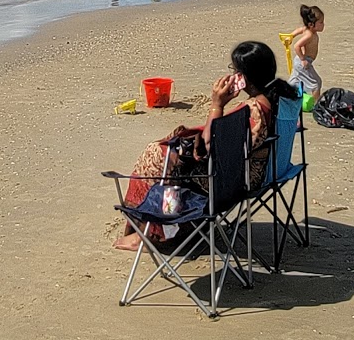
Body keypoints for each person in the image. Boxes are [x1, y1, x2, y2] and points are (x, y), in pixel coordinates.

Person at [113, 40, 298, 250]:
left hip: (232, 182)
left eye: (235, 70)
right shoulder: (281, 96)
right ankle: (175, 228)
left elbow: (214, 145)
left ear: (243, 77)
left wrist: (216, 105)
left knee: (160, 157)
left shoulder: (252, 109)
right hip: (270, 171)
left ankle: (156, 232)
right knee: (169, 154)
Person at [289, 4, 326, 100]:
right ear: (311, 24)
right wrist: (303, 59)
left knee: (293, 83)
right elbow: (297, 46)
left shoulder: (307, 29)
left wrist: (291, 36)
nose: (323, 25)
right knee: (316, 83)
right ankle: (316, 105)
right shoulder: (309, 35)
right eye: (321, 22)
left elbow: (299, 30)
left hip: (299, 62)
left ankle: (282, 99)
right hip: (303, 62)